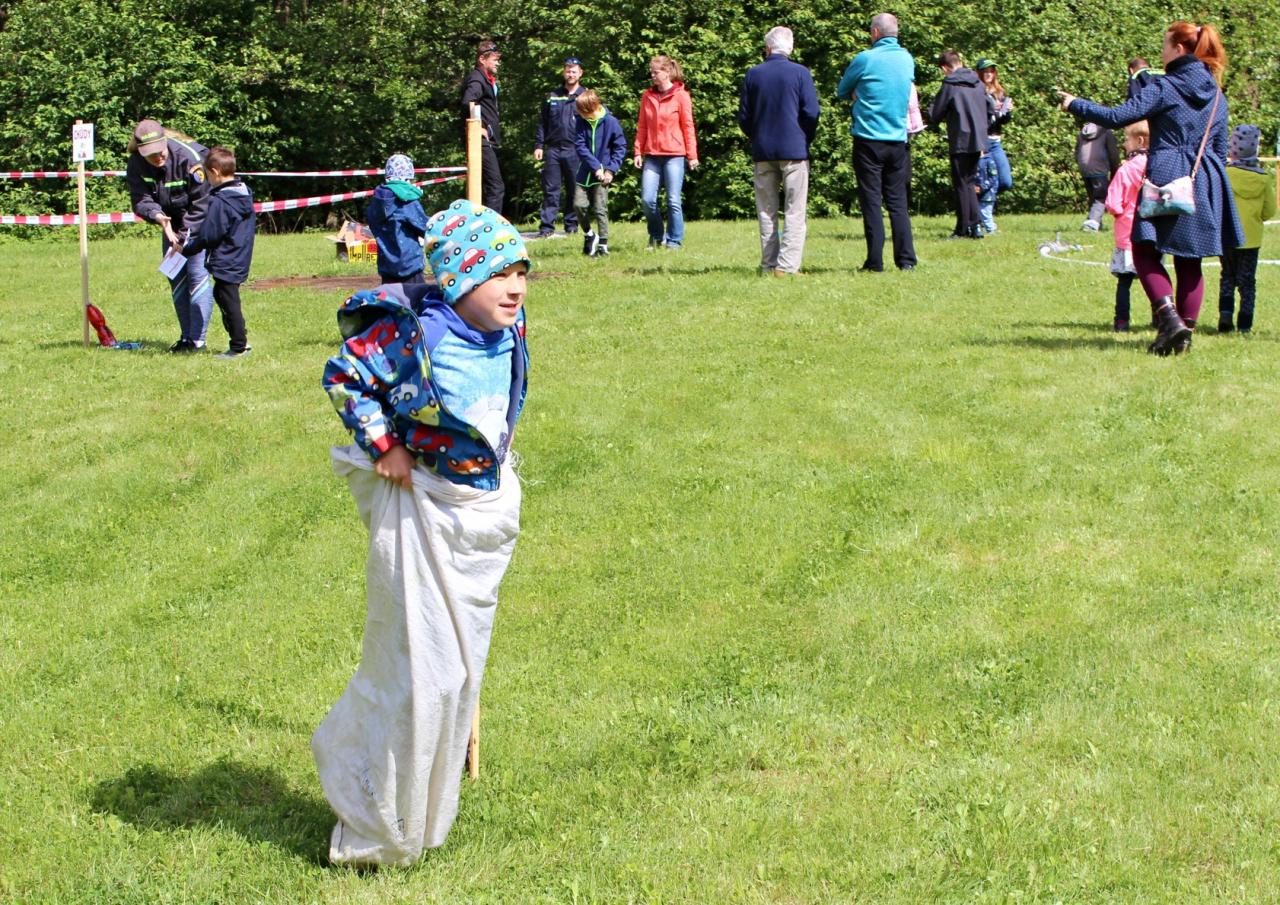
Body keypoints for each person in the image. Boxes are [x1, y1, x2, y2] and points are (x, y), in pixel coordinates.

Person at [315, 200, 530, 866]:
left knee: (460, 671)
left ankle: (425, 802)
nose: (515, 288)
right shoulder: (419, 337)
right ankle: (373, 811)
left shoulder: (508, 327)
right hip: (424, 507)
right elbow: (345, 376)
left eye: (521, 272)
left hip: (478, 512)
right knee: (420, 671)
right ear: (459, 279)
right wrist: (385, 445)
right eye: (497, 275)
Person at [1059, 20, 1243, 356]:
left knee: (1143, 250)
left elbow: (1118, 116)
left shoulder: (1165, 87)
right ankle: (1183, 335)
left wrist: (1076, 104)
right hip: (1205, 178)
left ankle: (1170, 320)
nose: (1162, 52)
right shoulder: (1217, 94)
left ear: (1179, 49)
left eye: (1165, 45)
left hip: (1167, 173)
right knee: (1190, 260)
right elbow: (1218, 149)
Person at [836, 12, 916, 271]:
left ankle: (875, 261)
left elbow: (841, 90)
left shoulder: (865, 59)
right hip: (898, 139)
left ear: (875, 33)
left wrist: (857, 94)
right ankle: (906, 260)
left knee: (871, 201)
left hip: (868, 139)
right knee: (898, 202)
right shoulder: (907, 59)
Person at [738, 26, 820, 276]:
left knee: (766, 210)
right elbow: (811, 112)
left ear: (768, 48)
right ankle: (787, 266)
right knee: (795, 209)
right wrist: (804, 137)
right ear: (790, 48)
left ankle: (769, 264)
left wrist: (756, 136)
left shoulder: (753, 74)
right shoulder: (800, 73)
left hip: (763, 150)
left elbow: (744, 117)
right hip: (794, 149)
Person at [126, 118, 213, 353]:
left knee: (196, 275)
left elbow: (202, 203)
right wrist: (158, 217)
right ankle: (186, 338)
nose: (157, 157)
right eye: (150, 154)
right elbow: (140, 199)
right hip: (169, 224)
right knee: (176, 277)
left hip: (197, 223)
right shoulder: (136, 163)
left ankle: (198, 341)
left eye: (160, 151)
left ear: (165, 141)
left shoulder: (190, 159)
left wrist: (184, 237)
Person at [179, 147, 255, 359]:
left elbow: (209, 235)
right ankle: (240, 340)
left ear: (215, 172)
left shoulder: (221, 201)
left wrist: (188, 248)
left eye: (208, 175)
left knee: (228, 300)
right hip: (239, 256)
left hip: (226, 258)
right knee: (224, 295)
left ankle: (239, 346)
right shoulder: (244, 193)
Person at [633, 55, 699, 250]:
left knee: (673, 200)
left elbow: (688, 126)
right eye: (651, 72)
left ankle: (674, 240)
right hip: (652, 155)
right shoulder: (647, 96)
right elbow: (642, 126)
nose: (653, 76)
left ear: (667, 72)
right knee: (647, 200)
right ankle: (656, 236)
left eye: (656, 72)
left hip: (674, 154)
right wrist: (638, 151)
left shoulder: (681, 95)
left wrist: (692, 155)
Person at [1219, 124, 1276, 334]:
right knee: (1247, 282)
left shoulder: (1226, 174)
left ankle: (1225, 316)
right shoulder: (1263, 178)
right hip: (1251, 239)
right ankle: (1245, 323)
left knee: (1227, 276)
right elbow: (1269, 211)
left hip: (1227, 236)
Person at [928, 51, 988, 239]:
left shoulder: (950, 84)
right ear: (960, 62)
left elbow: (935, 113)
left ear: (945, 68)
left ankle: (963, 228)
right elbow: (989, 107)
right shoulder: (978, 82)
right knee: (969, 182)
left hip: (961, 138)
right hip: (978, 138)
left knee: (961, 183)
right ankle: (975, 226)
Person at [1103, 121, 1150, 332]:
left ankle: (1122, 321)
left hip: (1128, 235)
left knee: (1124, 281)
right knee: (1154, 278)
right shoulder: (1157, 166)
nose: (1124, 144)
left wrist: (1117, 211)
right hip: (1153, 232)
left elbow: (1113, 203)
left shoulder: (1127, 169)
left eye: (1126, 139)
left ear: (1139, 141)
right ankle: (1160, 317)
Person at [534, 57, 586, 238]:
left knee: (574, 189)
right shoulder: (552, 96)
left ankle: (571, 226)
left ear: (580, 73)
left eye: (574, 71)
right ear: (564, 72)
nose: (570, 74)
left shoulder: (585, 96)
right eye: (568, 71)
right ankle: (546, 227)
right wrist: (539, 145)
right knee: (550, 190)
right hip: (553, 150)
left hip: (576, 149)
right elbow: (543, 122)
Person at [573, 90, 627, 257]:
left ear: (590, 108)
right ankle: (589, 234)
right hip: (585, 172)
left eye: (581, 111)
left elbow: (620, 147)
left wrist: (610, 170)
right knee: (578, 205)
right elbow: (580, 146)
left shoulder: (611, 122)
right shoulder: (581, 121)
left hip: (604, 174)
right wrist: (596, 167)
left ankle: (603, 245)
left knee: (600, 208)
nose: (578, 114)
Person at [366, 154, 429, 285]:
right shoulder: (406, 202)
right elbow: (426, 228)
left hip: (386, 268)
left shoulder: (375, 203)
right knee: (416, 297)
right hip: (409, 267)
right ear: (408, 177)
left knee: (390, 298)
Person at [461, 40, 504, 212]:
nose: (498, 63)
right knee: (496, 186)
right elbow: (468, 101)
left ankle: (482, 221)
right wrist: (477, 126)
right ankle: (492, 225)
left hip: (486, 140)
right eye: (495, 59)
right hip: (479, 140)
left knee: (487, 186)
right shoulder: (477, 78)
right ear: (482, 59)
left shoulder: (485, 79)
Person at [975, 58, 1014, 234]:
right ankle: (981, 216)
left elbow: (1002, 121)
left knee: (1005, 181)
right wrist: (992, 111)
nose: (989, 73)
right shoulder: (976, 91)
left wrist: (1007, 112)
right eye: (985, 71)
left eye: (991, 70)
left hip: (996, 142)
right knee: (984, 181)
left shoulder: (1000, 92)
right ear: (979, 72)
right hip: (982, 142)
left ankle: (979, 207)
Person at [1075, 120, 1119, 231]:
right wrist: (1114, 170)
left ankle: (1097, 223)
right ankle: (1091, 224)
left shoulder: (1082, 132)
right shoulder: (1106, 132)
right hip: (1099, 169)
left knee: (1093, 198)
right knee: (1101, 198)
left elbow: (1077, 152)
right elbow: (1113, 154)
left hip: (1084, 169)